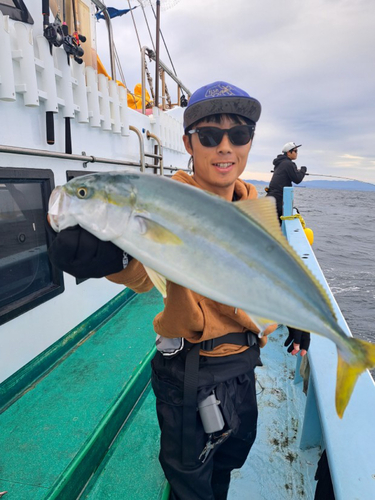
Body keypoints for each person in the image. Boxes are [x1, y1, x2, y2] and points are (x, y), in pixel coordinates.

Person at [46, 81, 309, 500]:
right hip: (189, 372)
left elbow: (271, 276)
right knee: (189, 483)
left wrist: (299, 319)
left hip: (244, 364)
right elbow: (142, 270)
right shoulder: (166, 198)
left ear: (250, 143)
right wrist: (112, 260)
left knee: (228, 462)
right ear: (189, 142)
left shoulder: (254, 206)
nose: (225, 147)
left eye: (238, 135)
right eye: (209, 135)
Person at [267, 142, 307, 219]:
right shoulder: (289, 164)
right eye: (295, 151)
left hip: (271, 197)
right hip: (279, 199)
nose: (296, 153)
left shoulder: (280, 163)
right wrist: (303, 170)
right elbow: (297, 179)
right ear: (289, 152)